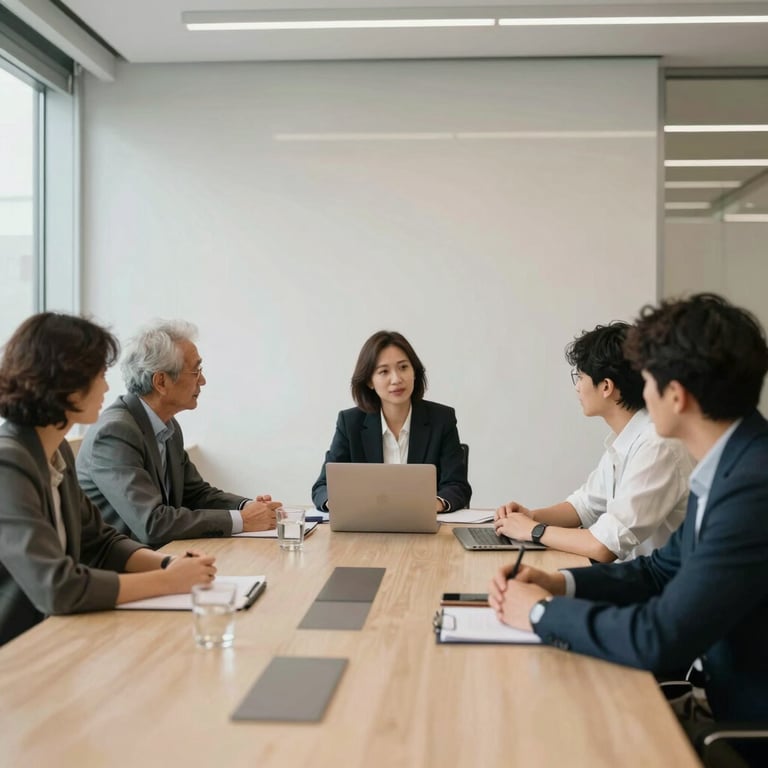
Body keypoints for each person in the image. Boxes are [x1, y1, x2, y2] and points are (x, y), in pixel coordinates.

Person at [489, 294, 768, 724]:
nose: (641, 390)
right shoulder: (729, 463)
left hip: (740, 726)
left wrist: (540, 612)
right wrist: (557, 583)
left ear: (675, 396)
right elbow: (659, 571)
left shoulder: (752, 486)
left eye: (648, 378)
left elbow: (659, 636)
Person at [0, 313, 217, 646]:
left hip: (57, 635)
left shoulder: (55, 455)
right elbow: (57, 587)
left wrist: (170, 564)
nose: (105, 385)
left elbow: (101, 543)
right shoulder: (8, 463)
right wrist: (167, 581)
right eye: (99, 374)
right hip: (18, 650)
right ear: (64, 382)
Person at [494, 322, 693, 562]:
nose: (577, 387)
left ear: (606, 387)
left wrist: (533, 531)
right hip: (629, 579)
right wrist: (530, 516)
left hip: (653, 589)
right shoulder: (625, 438)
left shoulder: (657, 445)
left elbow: (605, 546)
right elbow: (584, 506)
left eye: (580, 377)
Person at [76, 320, 281, 546]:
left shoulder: (167, 426)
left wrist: (247, 507)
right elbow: (152, 523)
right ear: (161, 382)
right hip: (120, 569)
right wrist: (242, 520)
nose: (202, 380)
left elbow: (195, 494)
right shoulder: (115, 433)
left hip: (161, 556)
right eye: (196, 371)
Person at [312, 330, 471, 512]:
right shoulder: (350, 423)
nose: (396, 379)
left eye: (403, 367)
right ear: (370, 381)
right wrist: (338, 503)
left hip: (424, 528)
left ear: (414, 372)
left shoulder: (441, 419)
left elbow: (457, 486)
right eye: (384, 371)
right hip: (366, 528)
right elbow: (322, 487)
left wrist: (433, 505)